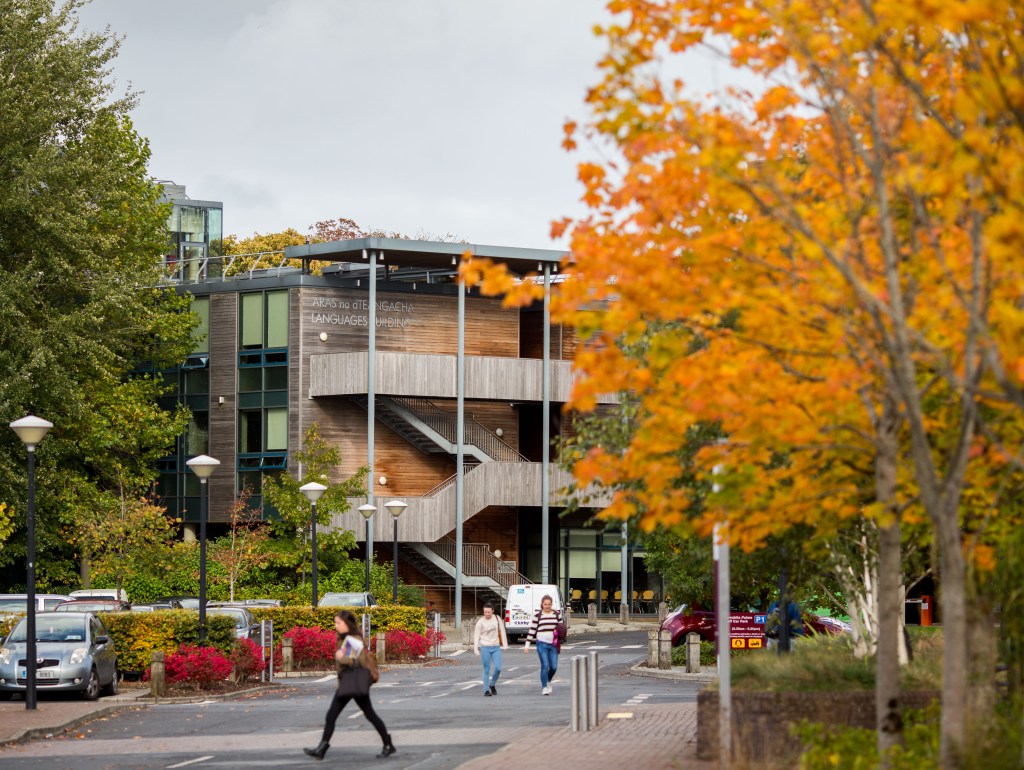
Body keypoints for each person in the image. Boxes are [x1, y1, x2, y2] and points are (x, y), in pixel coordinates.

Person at [304, 610, 395, 760]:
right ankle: (387, 744)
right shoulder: (344, 637)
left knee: (337, 715)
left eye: (338, 623)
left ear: (347, 624)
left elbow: (356, 661)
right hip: (349, 682)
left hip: (353, 682)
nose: (336, 626)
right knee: (362, 714)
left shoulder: (354, 639)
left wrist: (341, 657)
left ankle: (322, 748)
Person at [523, 594, 562, 695]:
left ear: (551, 604)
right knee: (545, 665)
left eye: (549, 604)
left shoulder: (557, 615)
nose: (547, 606)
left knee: (553, 667)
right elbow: (532, 630)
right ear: (542, 604)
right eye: (545, 604)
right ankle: (544, 687)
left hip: (553, 644)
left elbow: (562, 628)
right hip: (541, 643)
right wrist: (527, 645)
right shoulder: (538, 616)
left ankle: (548, 680)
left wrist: (562, 635)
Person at [473, 602, 509, 696]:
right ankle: (486, 690)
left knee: (498, 668)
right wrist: (476, 648)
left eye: (489, 612)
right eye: (485, 612)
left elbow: (502, 630)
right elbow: (476, 635)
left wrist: (505, 644)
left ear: (492, 611)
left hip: (496, 646)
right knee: (486, 669)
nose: (487, 614)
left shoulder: (497, 619)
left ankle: (492, 684)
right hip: (485, 647)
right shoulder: (480, 622)